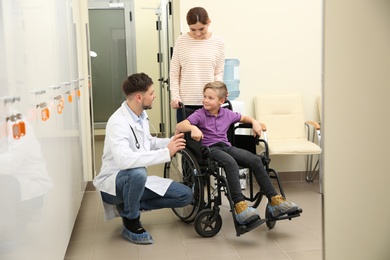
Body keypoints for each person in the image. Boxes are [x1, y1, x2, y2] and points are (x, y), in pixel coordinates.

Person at [176, 81, 299, 225]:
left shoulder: (227, 113)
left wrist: (254, 122)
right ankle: (240, 206)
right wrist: (193, 128)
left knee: (255, 160)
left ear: (221, 101)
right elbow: (180, 125)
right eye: (205, 96)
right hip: (210, 150)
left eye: (210, 98)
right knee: (230, 163)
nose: (205, 100)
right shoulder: (200, 114)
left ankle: (275, 201)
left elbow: (244, 118)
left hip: (227, 147)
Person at [93, 73, 193, 245]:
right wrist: (165, 153)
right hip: (115, 183)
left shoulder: (140, 116)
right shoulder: (118, 122)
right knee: (138, 173)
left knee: (185, 196)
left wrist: (171, 142)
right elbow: (123, 161)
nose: (155, 96)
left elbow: (148, 142)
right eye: (152, 93)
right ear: (139, 97)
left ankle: (128, 206)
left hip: (136, 182)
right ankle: (131, 221)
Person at [170, 6, 225, 122]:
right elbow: (174, 74)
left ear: (208, 22)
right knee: (186, 139)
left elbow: (218, 72)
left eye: (201, 29)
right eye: (193, 29)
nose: (198, 33)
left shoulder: (218, 42)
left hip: (210, 104)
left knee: (210, 139)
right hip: (185, 104)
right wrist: (175, 97)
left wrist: (219, 91)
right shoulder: (181, 41)